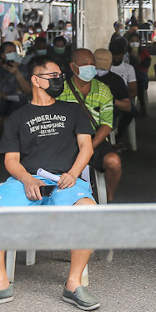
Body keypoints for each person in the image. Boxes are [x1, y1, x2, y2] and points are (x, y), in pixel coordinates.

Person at [0, 56, 98, 311]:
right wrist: (26, 179)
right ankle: (0, 282)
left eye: (60, 76)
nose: (60, 80)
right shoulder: (17, 117)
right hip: (27, 179)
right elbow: (11, 160)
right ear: (36, 80)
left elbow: (86, 147)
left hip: (64, 179)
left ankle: (73, 284)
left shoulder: (72, 109)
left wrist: (73, 172)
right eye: (54, 76)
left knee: (88, 210)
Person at [60, 49, 122, 202]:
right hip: (66, 139)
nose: (90, 67)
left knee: (114, 162)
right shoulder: (60, 91)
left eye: (92, 64)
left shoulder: (103, 90)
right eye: (84, 64)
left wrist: (89, 147)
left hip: (95, 139)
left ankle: (109, 196)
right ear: (73, 67)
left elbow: (107, 125)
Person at [0, 40, 32, 117]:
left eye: (14, 51)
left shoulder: (23, 69)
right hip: (3, 101)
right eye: (9, 51)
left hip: (19, 102)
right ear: (3, 55)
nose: (13, 53)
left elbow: (27, 91)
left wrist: (17, 73)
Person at [126, 31, 151, 118]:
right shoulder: (126, 53)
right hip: (128, 76)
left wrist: (139, 60)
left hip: (141, 76)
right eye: (132, 41)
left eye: (136, 41)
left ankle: (142, 105)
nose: (134, 43)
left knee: (139, 80)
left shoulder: (144, 52)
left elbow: (147, 64)